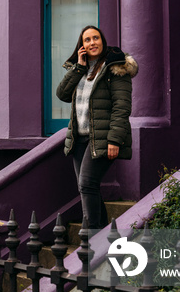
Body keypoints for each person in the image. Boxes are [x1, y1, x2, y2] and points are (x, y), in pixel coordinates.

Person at [56, 25, 138, 229]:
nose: (92, 42)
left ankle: (90, 238)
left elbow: (122, 107)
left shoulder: (115, 68)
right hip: (79, 138)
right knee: (88, 187)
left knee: (86, 185)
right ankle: (102, 235)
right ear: (81, 46)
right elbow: (62, 94)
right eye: (87, 40)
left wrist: (114, 140)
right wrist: (79, 67)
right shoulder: (82, 69)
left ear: (103, 41)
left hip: (101, 138)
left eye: (96, 38)